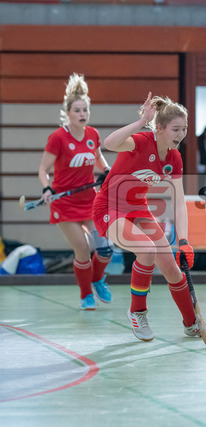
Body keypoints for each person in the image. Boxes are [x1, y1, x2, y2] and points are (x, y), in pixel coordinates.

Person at [93, 92, 206, 342]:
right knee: (146, 249)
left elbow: (179, 202)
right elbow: (109, 143)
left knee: (172, 268)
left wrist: (184, 241)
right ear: (159, 128)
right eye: (176, 129)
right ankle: (137, 312)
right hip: (109, 208)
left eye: (184, 129)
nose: (181, 134)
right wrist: (141, 122)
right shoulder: (140, 141)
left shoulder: (174, 157)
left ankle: (193, 324)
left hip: (138, 208)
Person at [37, 73, 112, 310]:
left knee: (106, 248)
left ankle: (97, 278)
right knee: (82, 247)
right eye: (77, 110)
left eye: (85, 110)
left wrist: (107, 170)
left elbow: (98, 159)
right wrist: (46, 188)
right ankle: (86, 294)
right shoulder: (58, 138)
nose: (82, 114)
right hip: (64, 203)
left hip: (89, 200)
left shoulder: (92, 135)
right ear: (68, 113)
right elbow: (43, 169)